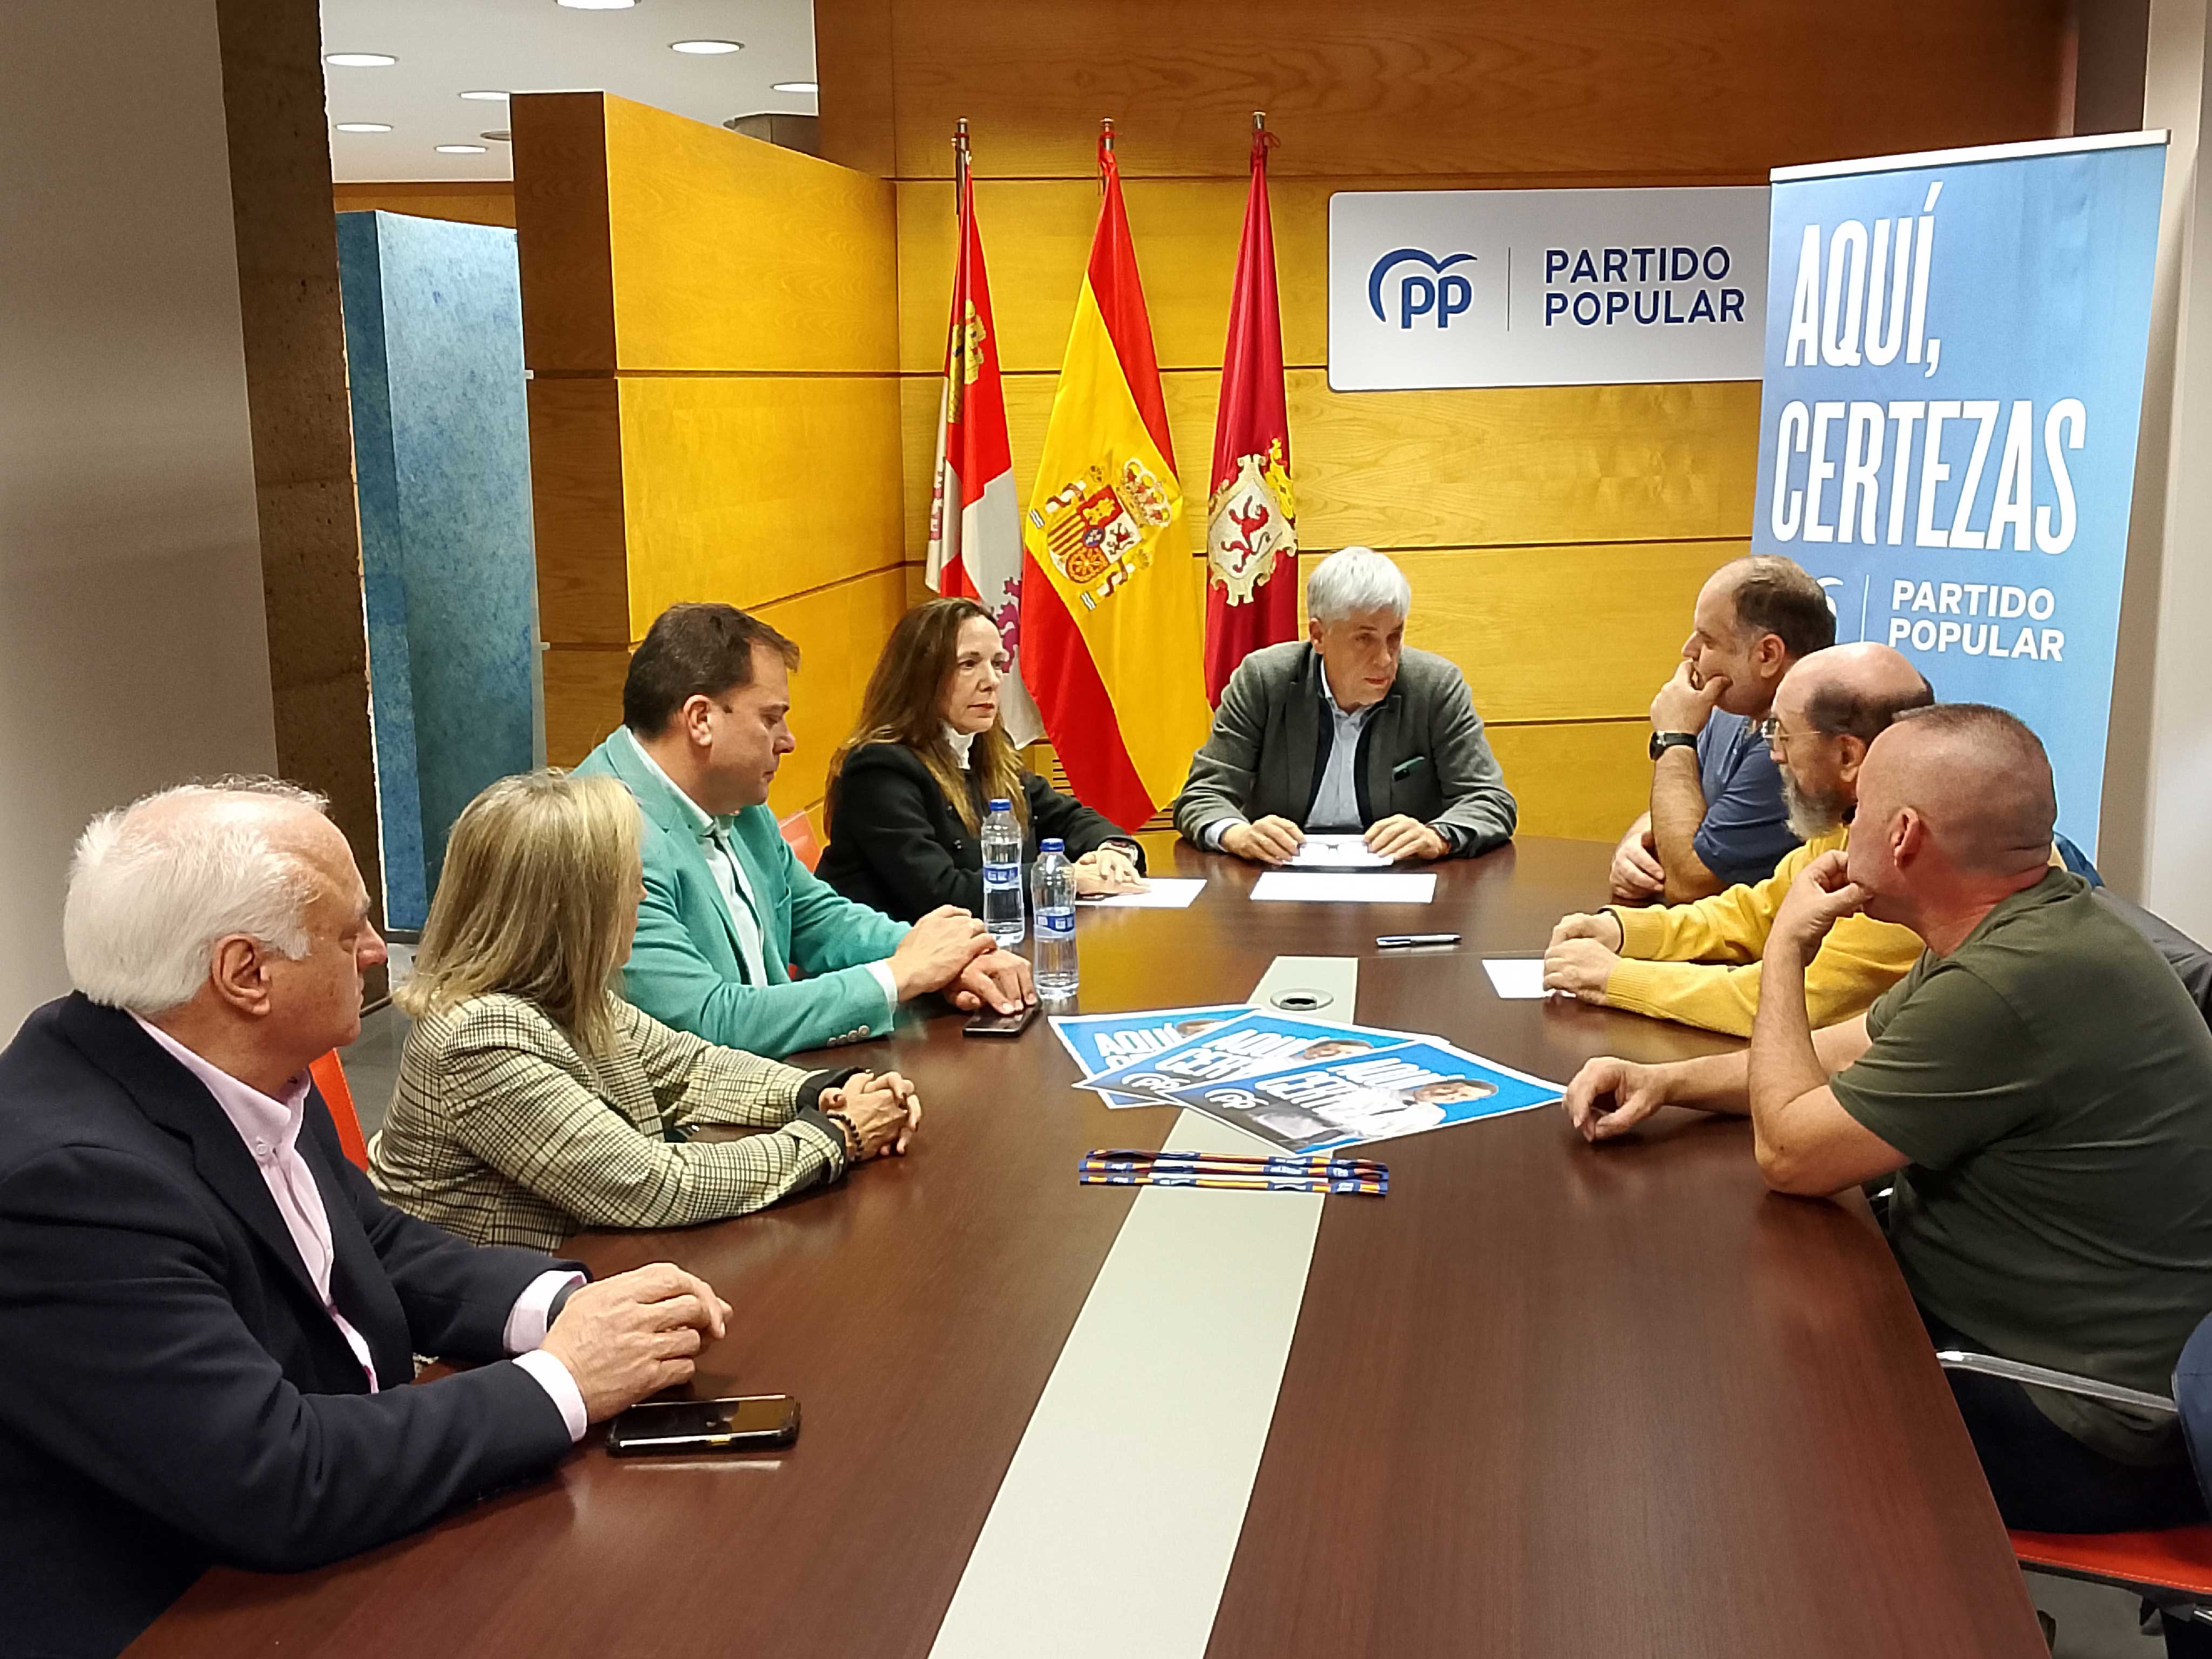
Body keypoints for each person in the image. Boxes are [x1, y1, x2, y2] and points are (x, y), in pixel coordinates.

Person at [0, 781, 733, 1658]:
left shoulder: (235, 1057)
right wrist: (566, 1380)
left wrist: (561, 1306)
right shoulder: (70, 1186)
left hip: (315, 1550)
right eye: (349, 933)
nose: (378, 953)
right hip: (181, 1608)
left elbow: (374, 1241)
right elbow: (276, 1475)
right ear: (246, 972)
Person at [1558, 706, 2212, 1659]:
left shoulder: (2015, 980)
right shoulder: (2026, 927)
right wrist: (1668, 1082)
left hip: (2084, 1425)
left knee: (1722, 1396)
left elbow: (1790, 1149)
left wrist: (1786, 946)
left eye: (1858, 809)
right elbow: (1844, 1050)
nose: (1837, 827)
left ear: (1902, 836)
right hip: (2055, 1353)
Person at [370, 772, 923, 1253]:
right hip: (482, 1346)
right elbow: (648, 1184)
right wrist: (838, 1135)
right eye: (624, 879)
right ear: (569, 908)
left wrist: (824, 1093)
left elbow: (695, 1069)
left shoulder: (569, 994)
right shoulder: (478, 1037)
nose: (639, 892)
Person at [574, 601, 1034, 1061]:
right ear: (701, 720)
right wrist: (901, 975)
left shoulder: (731, 795)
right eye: (771, 718)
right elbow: (708, 1023)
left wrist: (948, 960)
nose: (788, 740)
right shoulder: (608, 838)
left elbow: (816, 917)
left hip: (775, 1077)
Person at [1544, 643, 1932, 1036]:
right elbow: (1760, 913)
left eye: (1783, 735)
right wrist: (1625, 931)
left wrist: (1614, 979)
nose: (1776, 755)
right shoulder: (1851, 817)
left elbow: (1799, 1005)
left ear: (1848, 755)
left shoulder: (1910, 855)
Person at [1171, 545, 1516, 864]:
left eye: (1394, 637)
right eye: (1364, 639)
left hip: (1401, 887)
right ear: (1319, 635)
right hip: (1279, 885)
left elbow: (1490, 800)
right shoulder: (1265, 681)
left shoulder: (1434, 687)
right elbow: (1202, 795)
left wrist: (1438, 836)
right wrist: (1237, 834)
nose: (1385, 659)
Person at [816, 596, 1147, 922]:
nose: (991, 681)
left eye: (997, 663)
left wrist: (1112, 851)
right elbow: (941, 894)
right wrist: (1062, 877)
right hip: (895, 963)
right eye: (968, 664)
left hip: (988, 948)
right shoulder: (879, 771)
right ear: (921, 676)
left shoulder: (986, 748)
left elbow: (1064, 818)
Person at [1610, 555, 1836, 904]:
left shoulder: (1794, 742)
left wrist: (1674, 738)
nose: (1689, 651)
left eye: (1708, 640)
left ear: (1768, 655)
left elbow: (1690, 884)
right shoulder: (1731, 706)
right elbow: (1688, 801)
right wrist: (1638, 842)